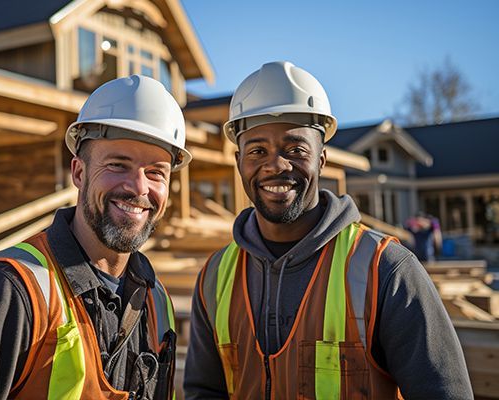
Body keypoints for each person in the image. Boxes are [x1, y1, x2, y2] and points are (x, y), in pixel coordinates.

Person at [184, 61, 472, 399]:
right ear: (239, 162)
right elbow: (204, 392)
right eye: (258, 151)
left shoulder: (385, 269)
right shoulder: (217, 277)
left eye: (295, 150)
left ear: (321, 159)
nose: (276, 165)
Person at [0, 75, 191, 400]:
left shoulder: (156, 302)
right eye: (117, 164)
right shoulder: (6, 289)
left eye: (156, 172)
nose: (139, 187)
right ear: (79, 173)